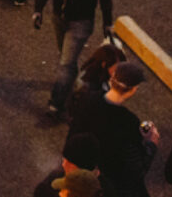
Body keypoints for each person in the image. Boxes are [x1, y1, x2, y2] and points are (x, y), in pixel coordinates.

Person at [65, 59, 158, 197]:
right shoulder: (128, 121)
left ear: (111, 80)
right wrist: (151, 143)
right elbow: (135, 169)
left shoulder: (88, 99)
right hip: (110, 181)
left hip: (83, 168)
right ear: (133, 90)